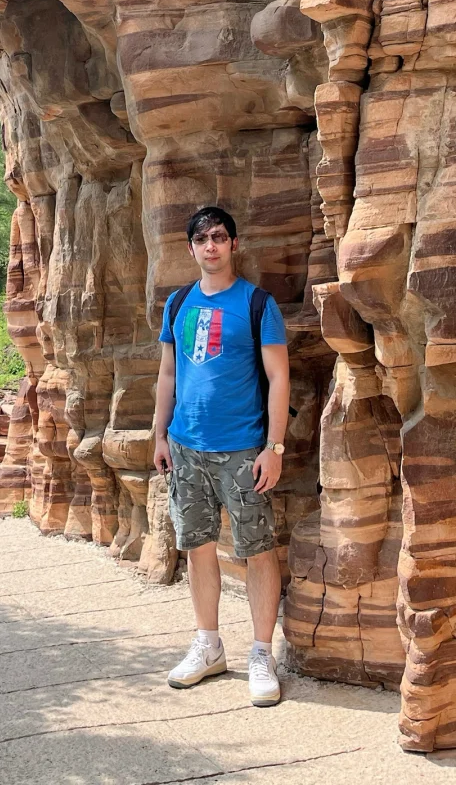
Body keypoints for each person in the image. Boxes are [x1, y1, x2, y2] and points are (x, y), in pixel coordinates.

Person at [153, 205, 290, 707]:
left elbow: (279, 378)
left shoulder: (257, 304)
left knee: (256, 549)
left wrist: (274, 447)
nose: (211, 246)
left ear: (234, 244)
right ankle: (208, 645)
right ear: (190, 248)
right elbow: (168, 375)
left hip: (242, 449)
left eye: (219, 237)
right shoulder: (178, 304)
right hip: (187, 447)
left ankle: (261, 652)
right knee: (198, 546)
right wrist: (159, 434)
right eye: (201, 239)